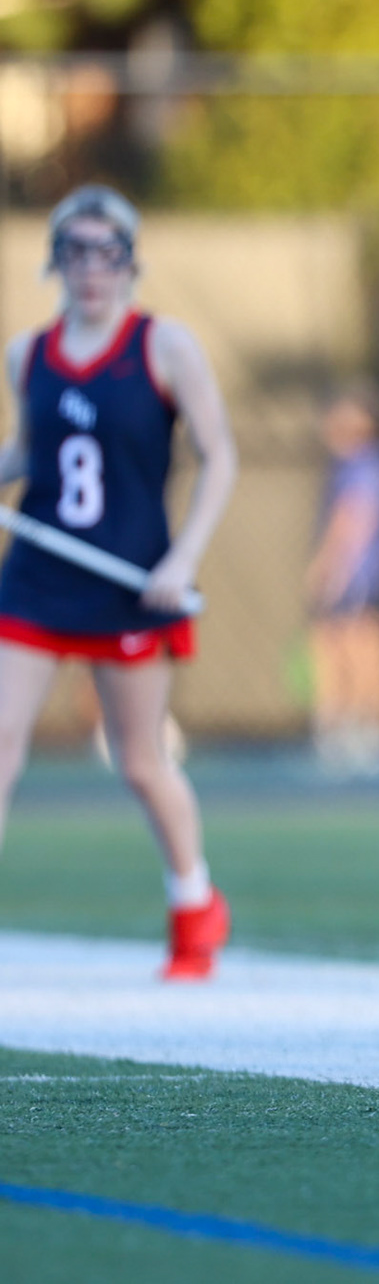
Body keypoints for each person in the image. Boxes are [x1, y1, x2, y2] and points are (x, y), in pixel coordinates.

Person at [0, 185, 238, 978]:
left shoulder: (165, 346)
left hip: (128, 584)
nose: (92, 270)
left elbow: (220, 456)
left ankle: (194, 902)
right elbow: (32, 457)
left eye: (109, 253)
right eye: (77, 252)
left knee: (139, 760)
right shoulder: (27, 353)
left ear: (130, 262)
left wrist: (183, 558)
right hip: (35, 580)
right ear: (56, 261)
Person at [308, 380, 379, 778]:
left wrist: (329, 569)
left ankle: (368, 730)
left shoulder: (366, 464)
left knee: (362, 644)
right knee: (338, 643)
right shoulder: (353, 464)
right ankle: (344, 727)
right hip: (355, 573)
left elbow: (355, 518)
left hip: (356, 573)